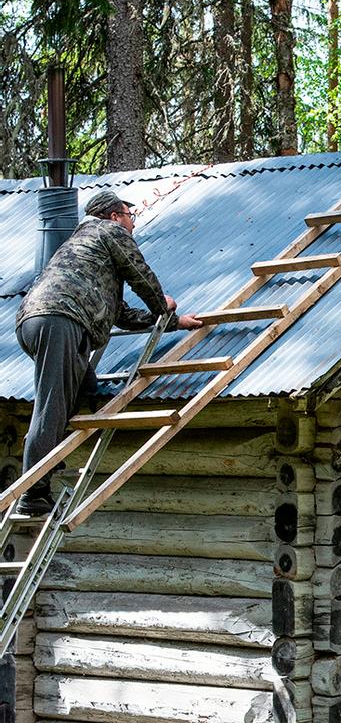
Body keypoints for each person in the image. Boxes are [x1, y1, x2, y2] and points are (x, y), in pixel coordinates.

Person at [14, 190, 202, 515]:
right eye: (131, 216)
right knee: (52, 407)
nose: (133, 224)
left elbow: (121, 314)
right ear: (115, 216)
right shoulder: (108, 231)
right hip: (60, 321)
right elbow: (141, 276)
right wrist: (163, 308)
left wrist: (174, 323)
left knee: (83, 391)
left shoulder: (84, 251)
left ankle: (50, 462)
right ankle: (33, 494)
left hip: (40, 322)